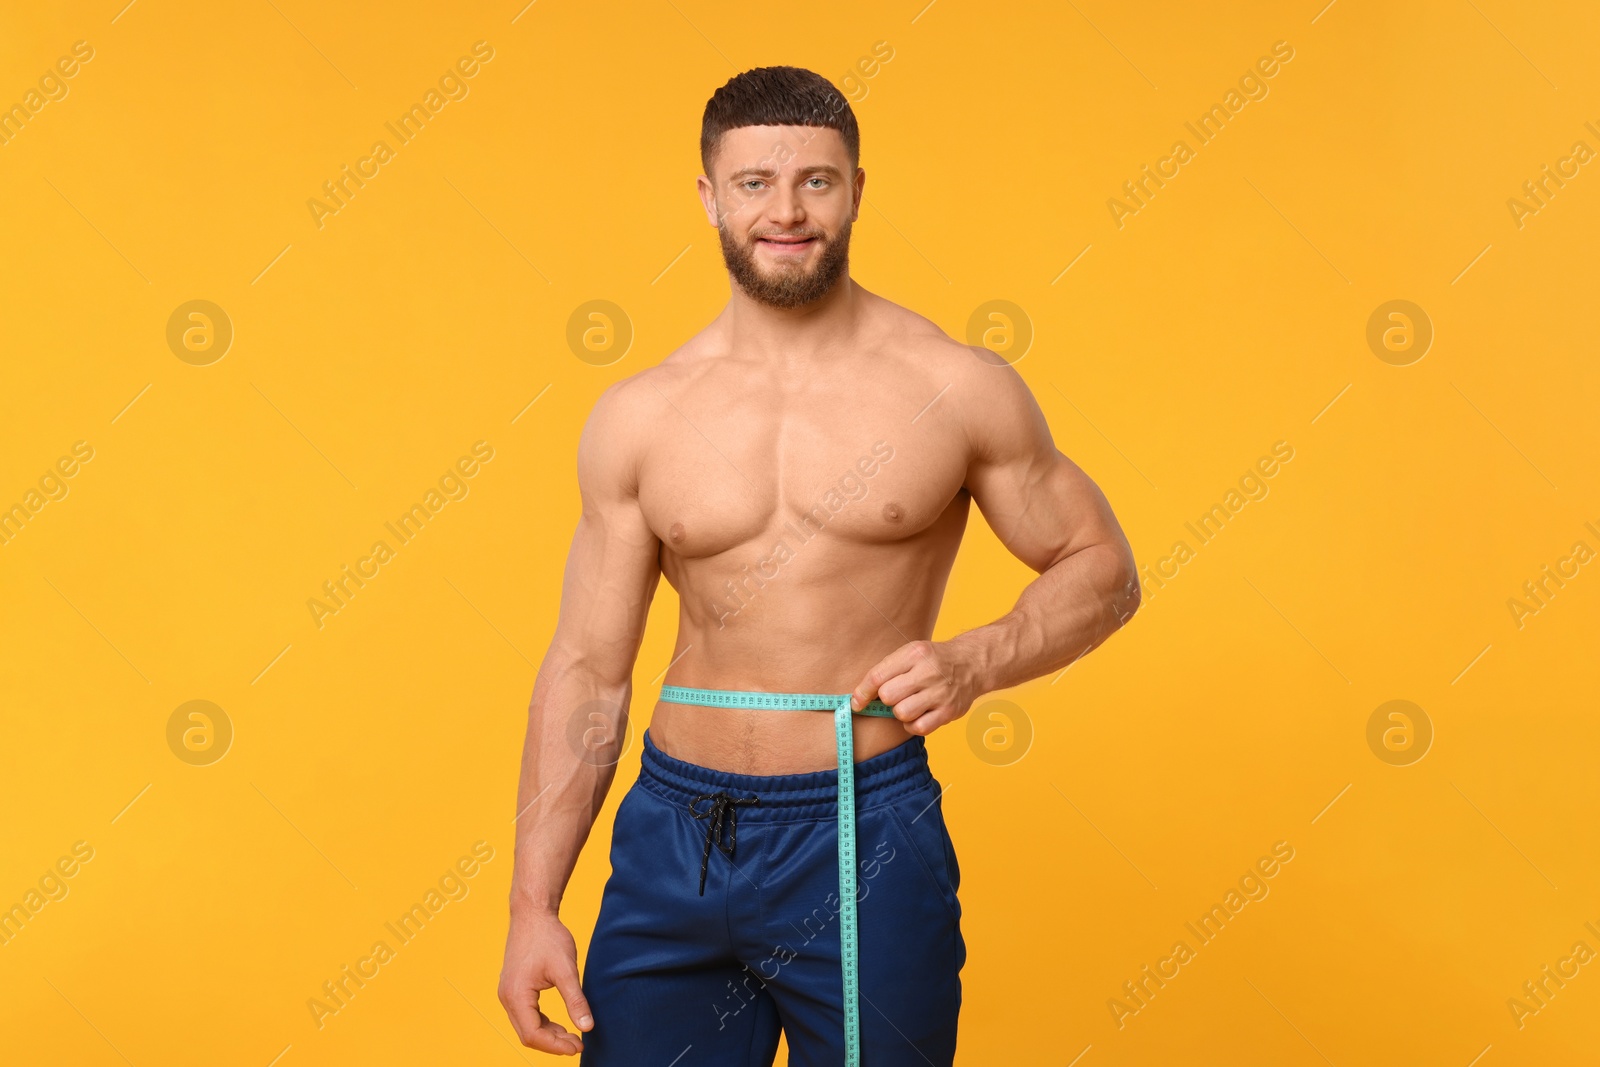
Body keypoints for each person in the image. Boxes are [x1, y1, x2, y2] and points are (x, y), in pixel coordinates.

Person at [497, 65, 1140, 1066]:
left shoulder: (954, 387)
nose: (786, 210)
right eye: (754, 182)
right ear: (708, 196)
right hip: (672, 835)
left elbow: (1102, 568)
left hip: (862, 825)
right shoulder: (640, 415)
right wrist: (533, 902)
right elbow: (588, 667)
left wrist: (979, 659)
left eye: (816, 181)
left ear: (856, 190)